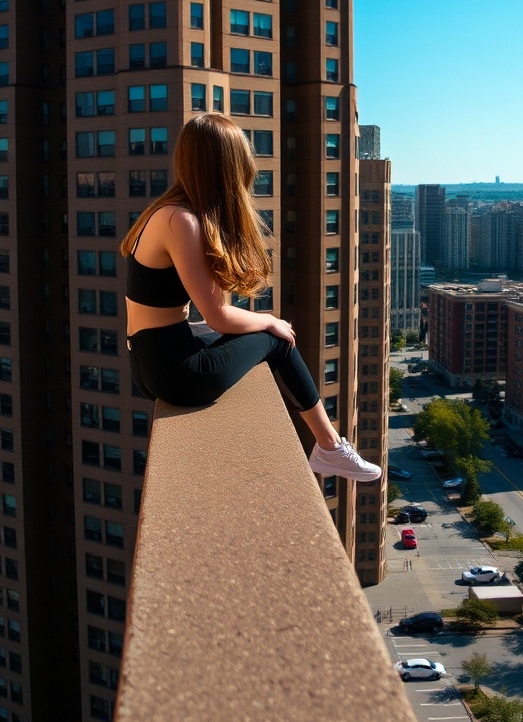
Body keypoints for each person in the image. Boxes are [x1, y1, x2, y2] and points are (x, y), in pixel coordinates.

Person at [120, 114, 381, 483]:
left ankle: (329, 446)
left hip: (148, 362)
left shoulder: (162, 211)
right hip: (178, 373)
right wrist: (271, 321)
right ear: (227, 165)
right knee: (276, 340)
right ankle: (329, 446)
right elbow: (218, 318)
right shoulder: (183, 221)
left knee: (259, 332)